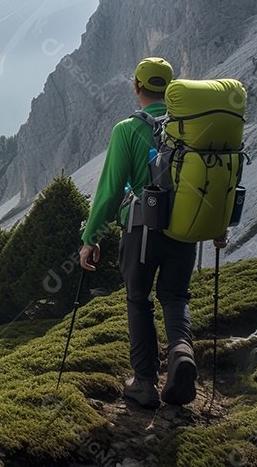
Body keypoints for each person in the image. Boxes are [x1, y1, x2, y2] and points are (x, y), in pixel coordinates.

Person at [78, 58, 221, 408]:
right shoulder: (189, 125)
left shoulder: (127, 129)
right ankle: (182, 354)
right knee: (175, 297)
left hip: (142, 231)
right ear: (171, 88)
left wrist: (91, 238)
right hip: (186, 228)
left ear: (137, 87)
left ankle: (145, 383)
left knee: (138, 300)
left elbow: (111, 189)